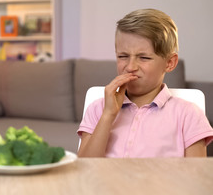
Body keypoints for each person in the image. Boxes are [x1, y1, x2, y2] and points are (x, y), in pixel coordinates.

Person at [77, 8, 213, 157]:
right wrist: (108, 115)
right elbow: (84, 169)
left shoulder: (188, 114)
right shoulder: (98, 109)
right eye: (123, 56)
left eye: (144, 58)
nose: (130, 67)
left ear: (169, 63)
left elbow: (195, 176)